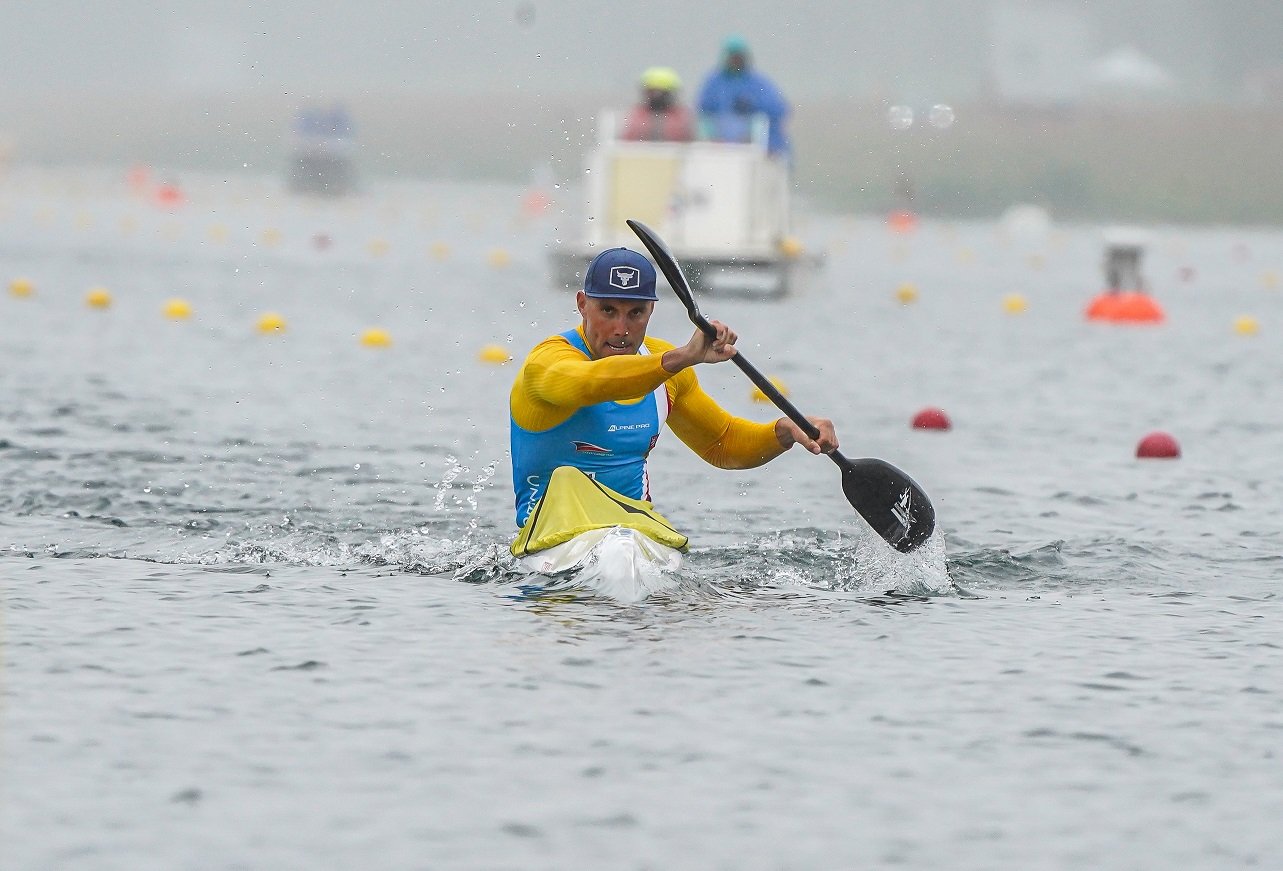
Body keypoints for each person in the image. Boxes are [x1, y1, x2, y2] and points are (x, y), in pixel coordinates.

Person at [509, 247, 836, 528]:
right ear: (583, 304)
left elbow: (722, 443)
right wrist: (681, 357)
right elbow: (591, 382)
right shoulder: (547, 362)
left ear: (652, 310)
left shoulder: (667, 369)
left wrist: (787, 430)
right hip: (549, 539)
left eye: (636, 313)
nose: (622, 329)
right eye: (608, 310)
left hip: (634, 534)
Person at [697, 35, 791, 157]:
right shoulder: (714, 83)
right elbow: (703, 112)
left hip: (755, 147)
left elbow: (779, 110)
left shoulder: (758, 82)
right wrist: (712, 138)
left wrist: (753, 106)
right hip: (720, 149)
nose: (736, 60)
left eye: (739, 57)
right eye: (732, 56)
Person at [621, 67, 696, 142]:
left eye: (662, 93)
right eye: (652, 93)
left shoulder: (682, 117)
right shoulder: (636, 116)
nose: (657, 97)